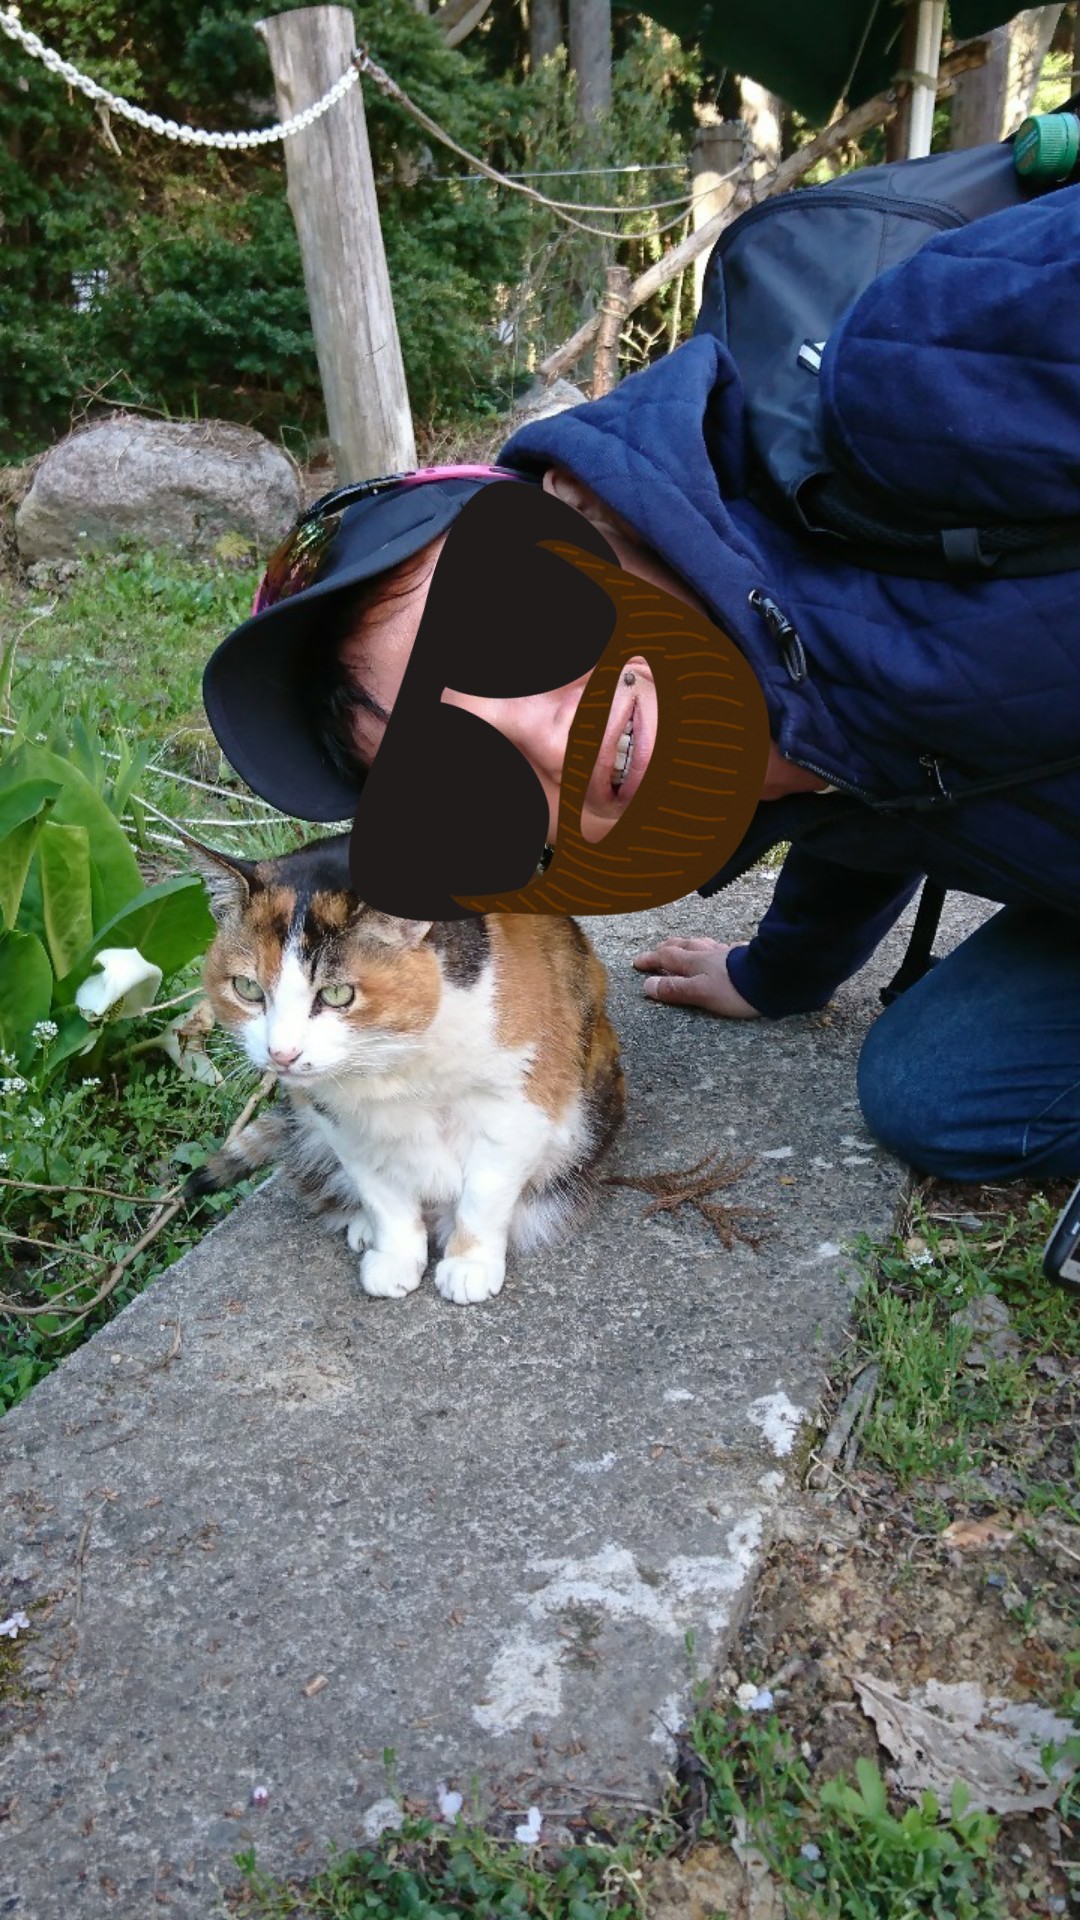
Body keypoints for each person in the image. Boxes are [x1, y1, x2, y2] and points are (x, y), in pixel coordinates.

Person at [203, 191, 1080, 1191]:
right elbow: (861, 776)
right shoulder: (731, 747)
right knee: (939, 1092)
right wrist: (779, 972)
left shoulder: (922, 363)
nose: (542, 733)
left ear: (577, 505)